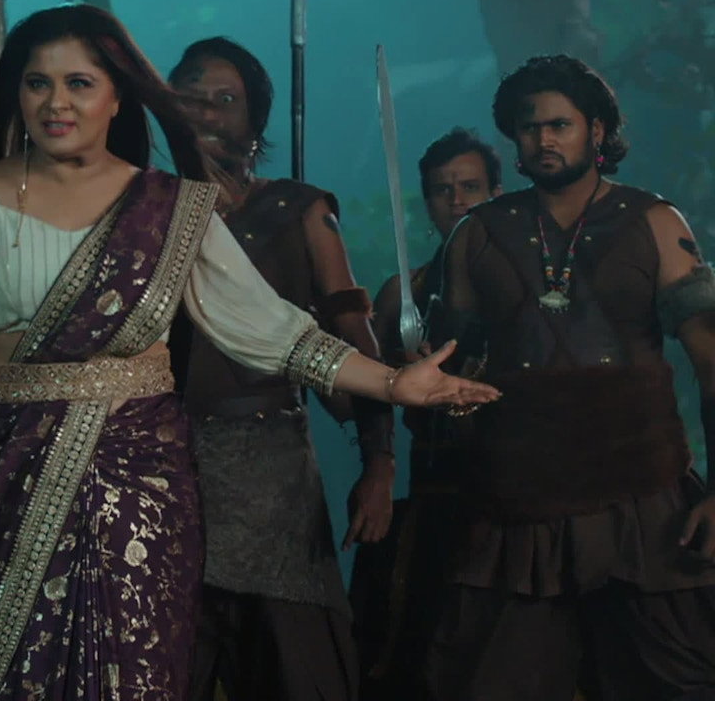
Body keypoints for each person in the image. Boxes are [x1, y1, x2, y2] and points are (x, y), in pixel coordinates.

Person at [0, 5, 496, 698]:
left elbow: (277, 332)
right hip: (2, 479)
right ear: (17, 95)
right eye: (38, 83)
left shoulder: (172, 209)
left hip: (139, 487)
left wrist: (396, 384)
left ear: (118, 95)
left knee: (132, 675)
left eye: (79, 83)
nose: (57, 102)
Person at [424, 55, 715, 700]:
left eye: (560, 125)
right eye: (530, 127)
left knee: (676, 683)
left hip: (642, 493)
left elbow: (712, 362)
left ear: (598, 130)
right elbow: (448, 369)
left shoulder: (655, 222)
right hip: (519, 500)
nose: (544, 139)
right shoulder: (477, 235)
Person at [167, 37, 391, 701]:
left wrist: (379, 464)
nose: (207, 112)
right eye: (191, 97)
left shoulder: (299, 210)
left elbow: (351, 335)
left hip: (273, 466)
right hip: (166, 461)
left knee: (299, 667)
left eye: (225, 99)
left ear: (255, 121)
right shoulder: (145, 210)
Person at [348, 127, 503, 700]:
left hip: (518, 492)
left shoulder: (529, 287)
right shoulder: (404, 293)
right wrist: (379, 468)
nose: (457, 201)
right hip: (436, 488)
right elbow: (369, 391)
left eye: (470, 187)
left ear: (497, 194)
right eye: (443, 190)